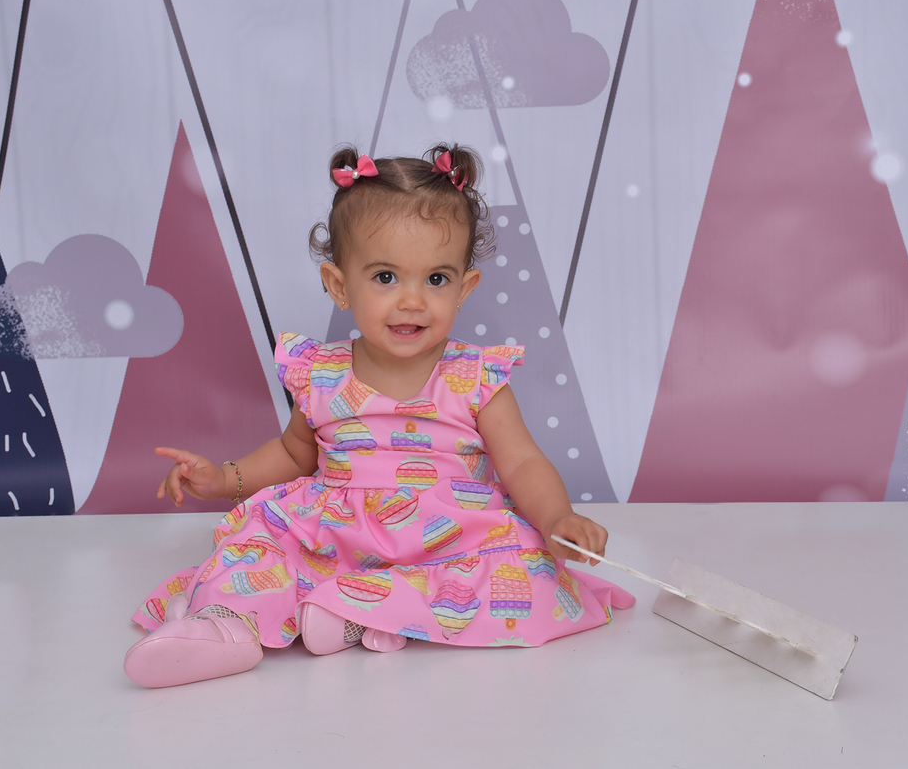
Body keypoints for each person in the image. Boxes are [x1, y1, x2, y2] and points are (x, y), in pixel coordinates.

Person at [123, 144, 635, 688]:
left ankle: (353, 613)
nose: (412, 301)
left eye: (435, 280)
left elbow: (523, 462)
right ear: (339, 285)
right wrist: (225, 479)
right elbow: (294, 454)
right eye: (386, 277)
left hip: (446, 538)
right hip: (336, 535)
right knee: (256, 548)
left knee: (521, 571)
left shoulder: (474, 377)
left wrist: (556, 518)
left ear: (464, 288)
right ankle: (224, 626)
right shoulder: (321, 374)